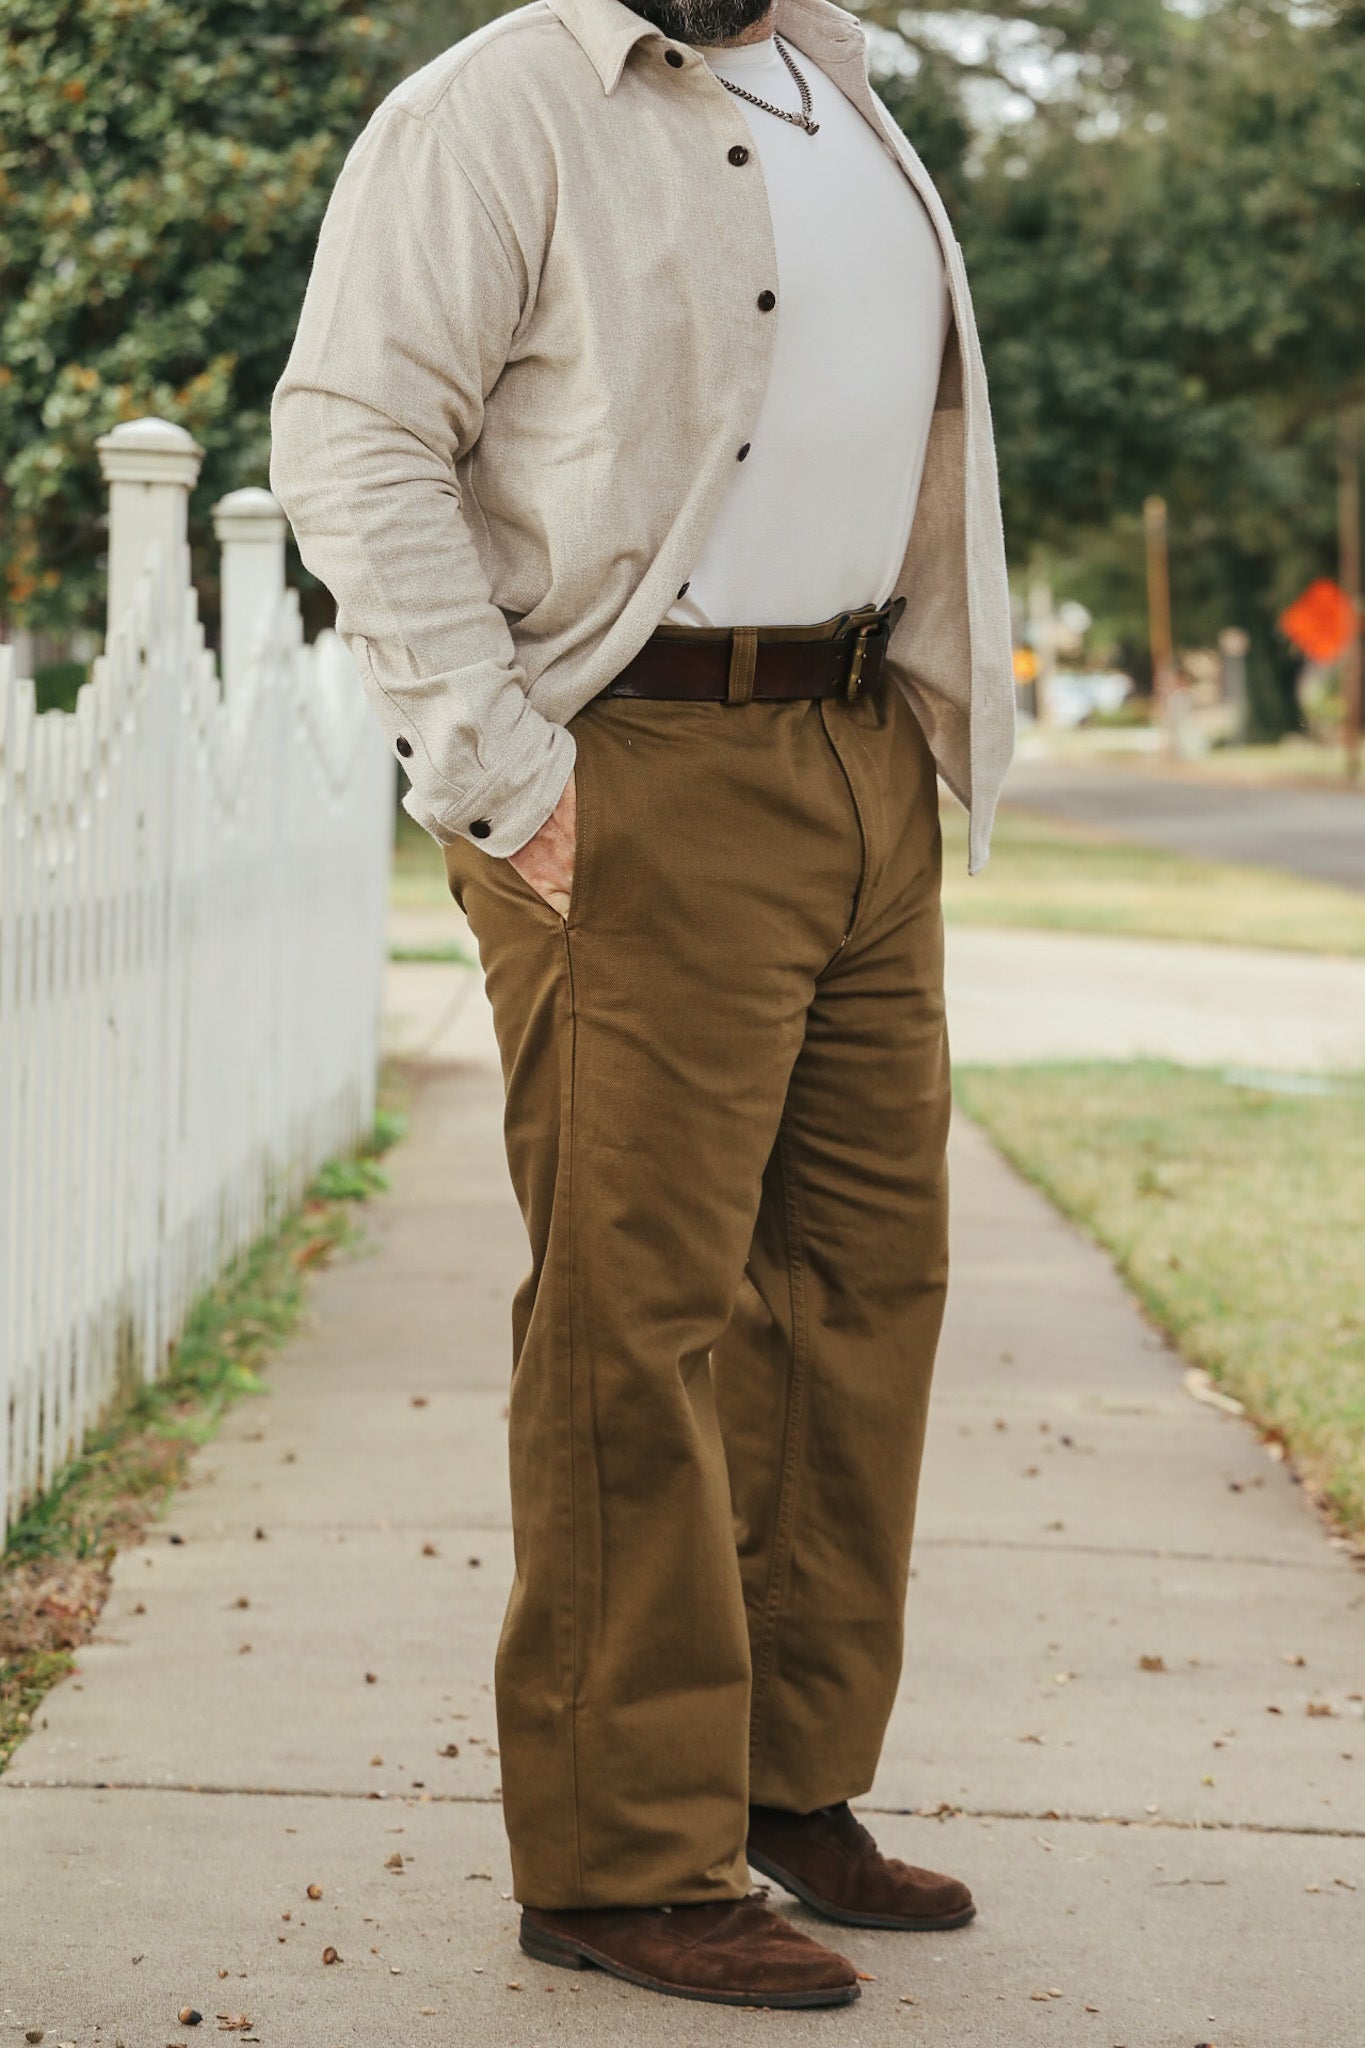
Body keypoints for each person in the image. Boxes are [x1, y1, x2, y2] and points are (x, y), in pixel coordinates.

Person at [270, 0, 1014, 2010]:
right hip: (636, 758)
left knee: (858, 1288)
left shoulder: (838, 84)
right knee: (640, 1309)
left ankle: (777, 1784)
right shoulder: (495, 109)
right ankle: (617, 1845)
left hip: (857, 743)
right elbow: (350, 435)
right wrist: (506, 770)